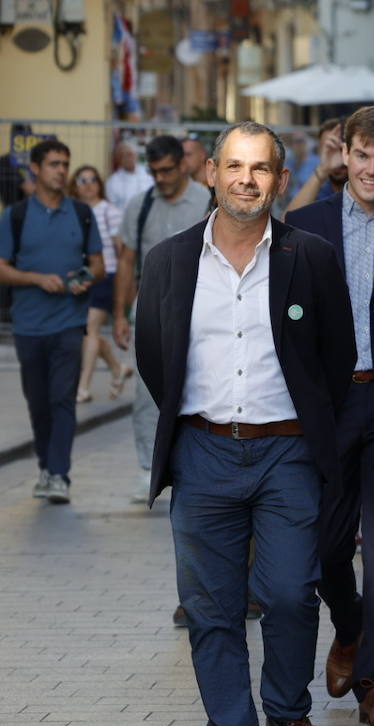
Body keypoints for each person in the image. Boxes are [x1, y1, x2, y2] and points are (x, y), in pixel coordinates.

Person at [135, 121, 355, 726]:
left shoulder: (310, 258)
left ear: (280, 181)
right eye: (234, 165)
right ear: (210, 172)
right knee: (212, 612)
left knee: (292, 592)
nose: (246, 180)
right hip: (202, 452)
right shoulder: (169, 261)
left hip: (287, 449)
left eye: (261, 168)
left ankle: (288, 710)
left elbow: (337, 356)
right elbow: (152, 354)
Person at [285, 105, 374, 726]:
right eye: (361, 155)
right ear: (343, 154)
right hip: (332, 404)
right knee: (326, 547)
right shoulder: (304, 225)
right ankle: (350, 624)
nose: (370, 168)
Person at [112, 135, 214, 513]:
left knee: (197, 387)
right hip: (151, 312)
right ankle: (147, 467)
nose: (161, 177)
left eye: (167, 169)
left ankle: (191, 462)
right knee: (145, 393)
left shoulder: (206, 201)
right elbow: (127, 261)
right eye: (154, 171)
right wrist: (121, 313)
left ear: (182, 164)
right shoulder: (139, 206)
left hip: (197, 311)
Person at [0, 138, 105, 504]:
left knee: (62, 399)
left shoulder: (81, 213)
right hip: (28, 325)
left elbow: (98, 264)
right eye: (54, 164)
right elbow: (2, 269)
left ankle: (59, 474)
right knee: (38, 402)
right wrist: (36, 279)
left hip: (68, 323)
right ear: (35, 168)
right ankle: (46, 466)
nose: (62, 171)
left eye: (65, 164)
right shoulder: (14, 216)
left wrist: (84, 279)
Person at [69, 165, 133, 403]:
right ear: (74, 183)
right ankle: (117, 367)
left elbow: (123, 253)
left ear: (99, 183)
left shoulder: (110, 211)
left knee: (89, 329)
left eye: (92, 179)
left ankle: (83, 387)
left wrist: (126, 288)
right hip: (79, 277)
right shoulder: (70, 210)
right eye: (81, 179)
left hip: (106, 277)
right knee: (87, 332)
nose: (87, 183)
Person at [285, 118, 348, 212]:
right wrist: (322, 170)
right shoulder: (319, 193)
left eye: (339, 149)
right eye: (328, 149)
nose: (335, 159)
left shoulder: (363, 191)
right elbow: (287, 221)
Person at [106, 141, 153, 213]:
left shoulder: (148, 174)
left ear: (136, 155)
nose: (127, 158)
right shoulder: (113, 181)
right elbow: (112, 208)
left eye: (130, 154)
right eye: (122, 155)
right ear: (118, 159)